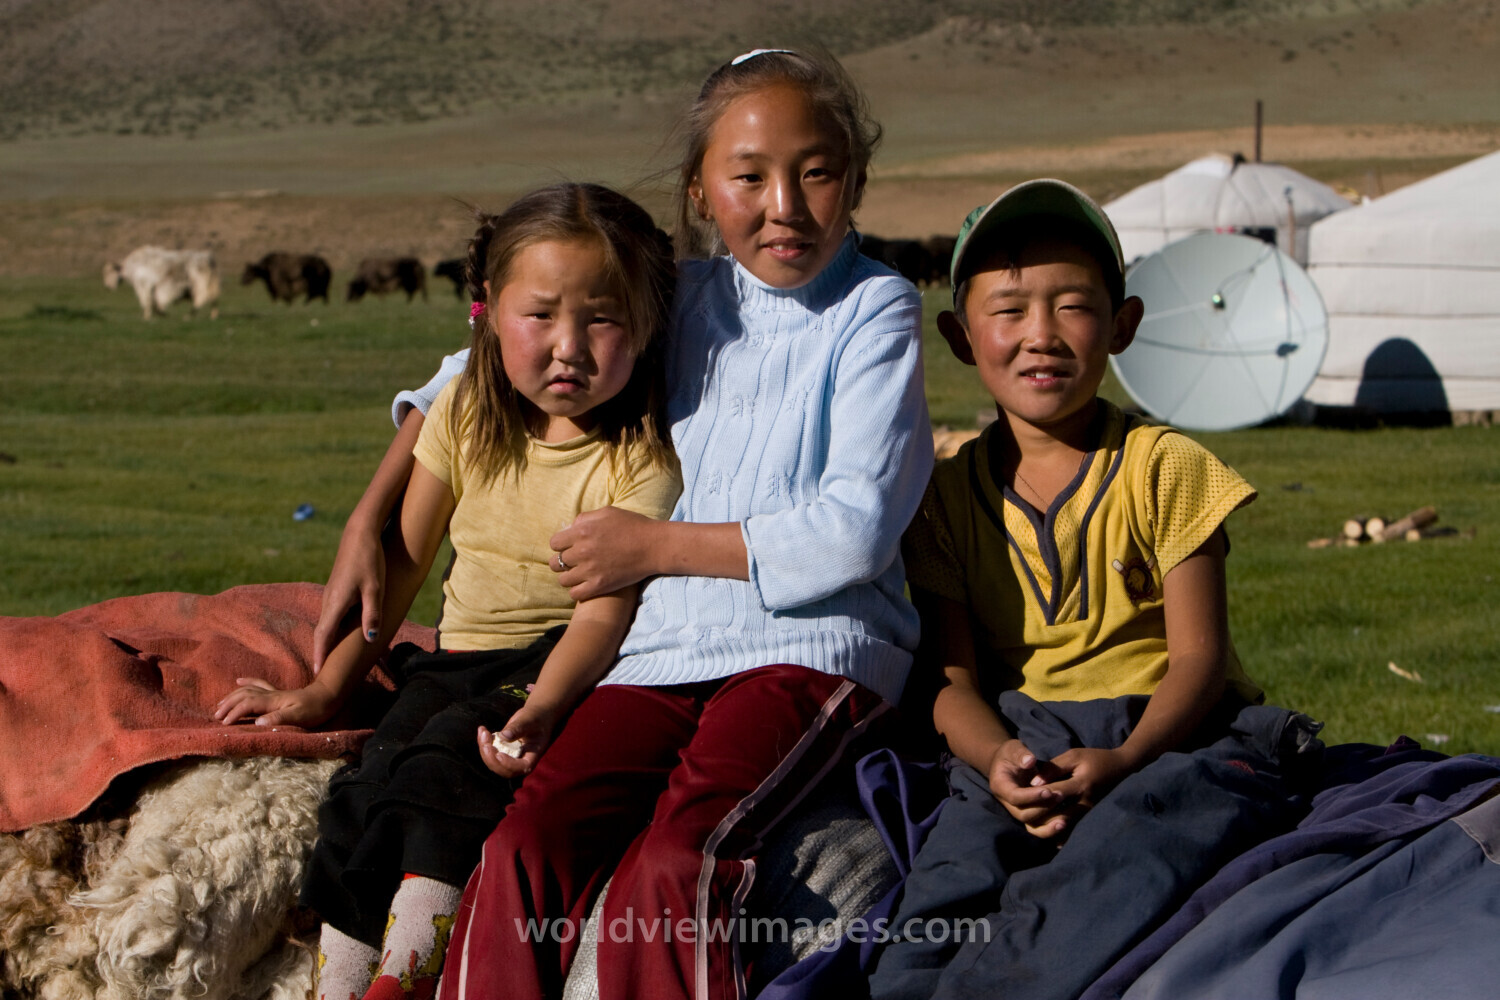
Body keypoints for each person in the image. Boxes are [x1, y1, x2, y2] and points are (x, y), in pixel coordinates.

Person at [317, 48, 933, 1000]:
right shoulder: (683, 295)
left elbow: (855, 532)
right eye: (749, 176)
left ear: (853, 180)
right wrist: (371, 509)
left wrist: (655, 548)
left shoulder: (872, 311)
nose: (786, 205)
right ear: (698, 189)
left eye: (817, 172)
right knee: (527, 840)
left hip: (811, 649)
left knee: (677, 860)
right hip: (656, 652)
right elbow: (482, 362)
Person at [214, 183, 683, 1000]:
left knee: (443, 781)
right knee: (361, 799)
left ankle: (400, 985)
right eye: (540, 315)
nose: (569, 346)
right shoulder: (465, 410)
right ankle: (337, 988)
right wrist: (327, 689)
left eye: (602, 319)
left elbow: (604, 618)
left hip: (553, 664)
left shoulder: (639, 455)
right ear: (489, 314)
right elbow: (402, 561)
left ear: (643, 326)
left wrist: (540, 708)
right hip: (453, 658)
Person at [865, 179, 1322, 1000]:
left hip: (1170, 734)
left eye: (1072, 306)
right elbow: (952, 678)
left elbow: (1199, 659)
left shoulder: (1164, 467)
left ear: (1123, 325)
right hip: (1022, 741)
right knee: (938, 903)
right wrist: (995, 758)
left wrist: (1125, 758)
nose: (1040, 336)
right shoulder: (942, 500)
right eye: (1008, 310)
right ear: (960, 335)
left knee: (1114, 869)